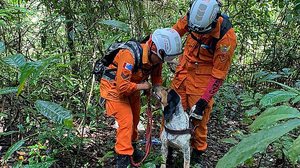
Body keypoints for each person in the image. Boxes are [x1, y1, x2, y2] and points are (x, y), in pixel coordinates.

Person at [99, 28, 182, 168]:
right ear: (154, 48)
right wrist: (143, 87)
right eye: (160, 59)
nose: (160, 63)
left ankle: (132, 146)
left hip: (133, 88)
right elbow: (122, 87)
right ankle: (123, 159)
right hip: (114, 89)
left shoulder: (156, 59)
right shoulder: (129, 55)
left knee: (135, 119)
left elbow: (156, 79)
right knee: (126, 121)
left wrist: (158, 91)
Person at [171, 0, 237, 166]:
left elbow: (218, 75)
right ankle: (169, 152)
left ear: (214, 20)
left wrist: (203, 102)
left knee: (198, 123)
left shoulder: (226, 38)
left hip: (203, 80)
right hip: (183, 72)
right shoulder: (193, 16)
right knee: (171, 112)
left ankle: (196, 156)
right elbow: (174, 32)